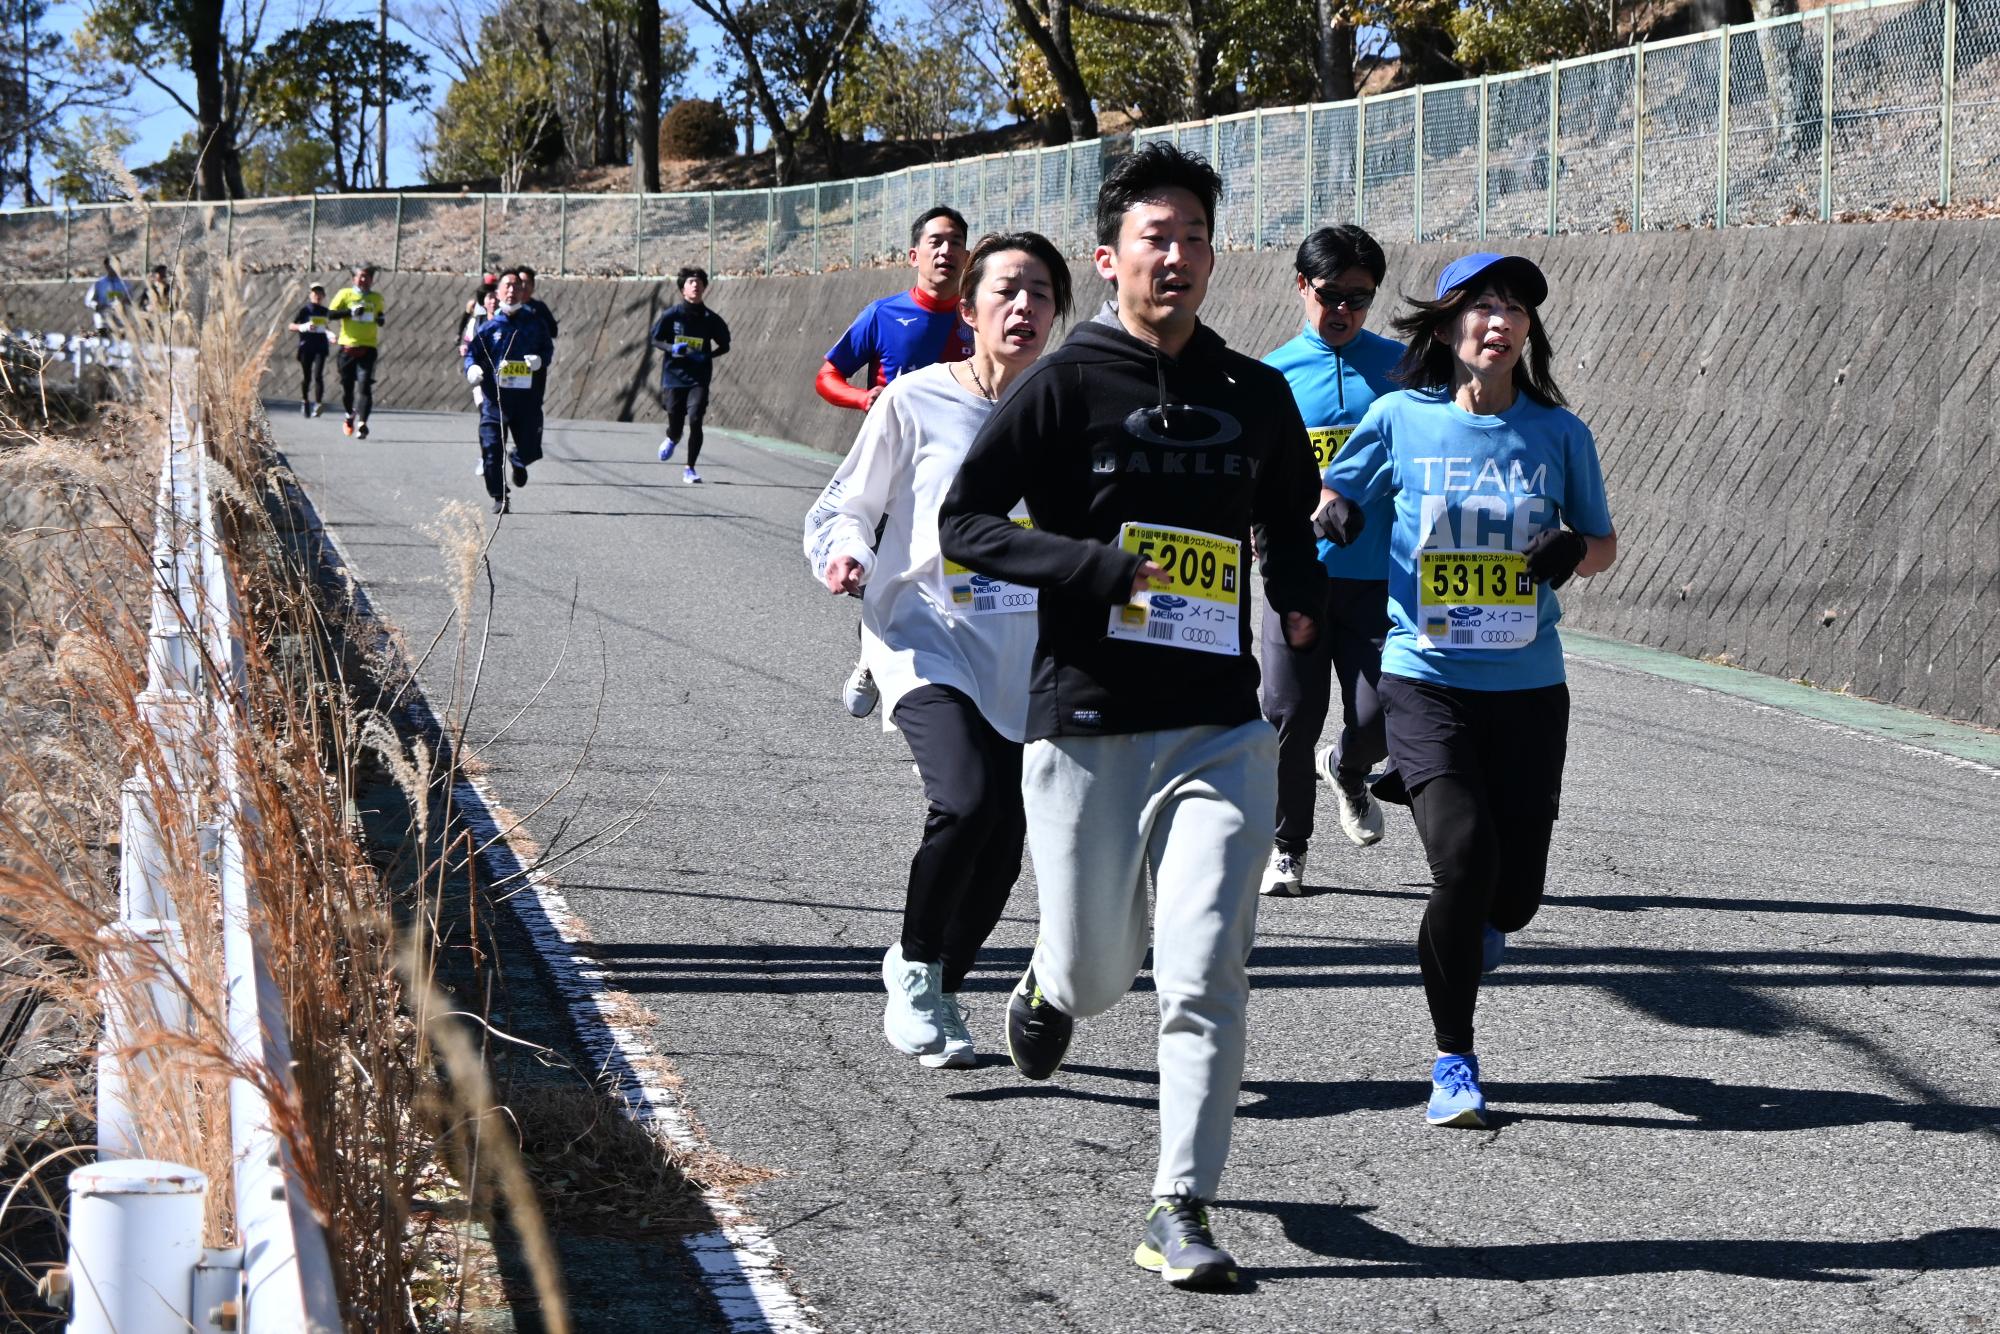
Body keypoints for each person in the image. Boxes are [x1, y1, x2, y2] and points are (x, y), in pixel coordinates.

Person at [938, 144, 1323, 1291]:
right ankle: (1050, 984)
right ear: (1108, 260)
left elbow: (1286, 523)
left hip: (1218, 726)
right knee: (1103, 972)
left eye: (1195, 238)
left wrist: (1298, 598)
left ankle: (1180, 1204)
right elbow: (967, 524)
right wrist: (1088, 568)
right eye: (1156, 238)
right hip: (1088, 719)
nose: (1178, 257)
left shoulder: (1257, 394)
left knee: (1204, 965)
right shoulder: (1062, 384)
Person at [1320, 252, 1617, 1130]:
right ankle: (1454, 1060)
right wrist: (1336, 511)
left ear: (1528, 332)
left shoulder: (1560, 434)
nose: (1500, 322)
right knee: (1463, 864)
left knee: (1514, 896)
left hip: (1527, 682)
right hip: (1426, 673)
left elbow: (1601, 542)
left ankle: (1473, 890)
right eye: (1483, 307)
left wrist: (1573, 551)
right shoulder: (1400, 418)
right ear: (1448, 327)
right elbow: (1342, 488)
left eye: (1515, 309)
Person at [804, 232, 1071, 1069]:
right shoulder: (916, 400)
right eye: (1007, 292)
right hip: (922, 631)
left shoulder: (1068, 409)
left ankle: (946, 981)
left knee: (1004, 837)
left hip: (1022, 647)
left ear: (1059, 314)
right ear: (971, 309)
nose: (1023, 306)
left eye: (1040, 294)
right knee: (964, 800)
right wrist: (844, 551)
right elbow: (852, 500)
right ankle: (915, 970)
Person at [1257, 226, 1403, 896]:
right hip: (1297, 580)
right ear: (1300, 287)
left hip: (1381, 582)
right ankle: (1288, 847)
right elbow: (1253, 478)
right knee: (1289, 713)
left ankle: (1346, 768)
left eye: (1360, 298)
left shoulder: (1404, 370)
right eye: (1330, 294)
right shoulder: (1271, 376)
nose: (1343, 309)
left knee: (1381, 717)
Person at [816, 206, 972, 719]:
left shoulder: (980, 318)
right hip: (891, 472)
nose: (945, 251)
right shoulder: (884, 314)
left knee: (950, 577)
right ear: (914, 255)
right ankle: (871, 659)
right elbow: (828, 375)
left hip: (957, 474)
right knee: (888, 575)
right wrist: (864, 401)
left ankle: (945, 692)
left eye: (955, 242)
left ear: (968, 256)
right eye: (935, 242)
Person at [464, 271, 554, 515]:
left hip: (527, 401)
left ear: (524, 290)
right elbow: (473, 353)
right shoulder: (491, 327)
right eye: (507, 286)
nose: (512, 290)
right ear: (499, 291)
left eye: (516, 286)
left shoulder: (535, 324)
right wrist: (472, 368)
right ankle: (499, 496)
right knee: (491, 449)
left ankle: (519, 460)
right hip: (496, 400)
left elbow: (547, 349)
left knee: (531, 448)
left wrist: (539, 360)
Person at [649, 267, 732, 484]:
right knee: (676, 419)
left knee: (696, 419)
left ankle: (690, 468)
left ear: (704, 287)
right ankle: (673, 437)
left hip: (699, 377)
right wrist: (672, 349)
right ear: (682, 288)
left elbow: (725, 345)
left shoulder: (710, 319)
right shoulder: (671, 316)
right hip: (673, 376)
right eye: (690, 282)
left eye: (699, 282)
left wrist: (707, 356)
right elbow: (655, 339)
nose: (695, 285)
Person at [328, 264, 386, 439]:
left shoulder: (377, 298)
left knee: (364, 385)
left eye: (367, 276)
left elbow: (380, 316)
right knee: (347, 389)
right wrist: (350, 311)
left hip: (368, 348)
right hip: (347, 349)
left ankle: (362, 423)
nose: (364, 279)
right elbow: (330, 314)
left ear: (372, 279)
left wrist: (381, 318)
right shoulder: (344, 294)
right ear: (353, 278)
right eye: (360, 276)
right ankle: (348, 415)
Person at [288, 282, 332, 418]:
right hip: (306, 347)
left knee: (318, 375)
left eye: (319, 293)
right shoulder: (305, 310)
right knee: (307, 377)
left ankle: (318, 404)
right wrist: (303, 327)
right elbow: (291, 325)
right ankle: (305, 401)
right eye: (314, 293)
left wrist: (331, 335)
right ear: (310, 295)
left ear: (323, 296)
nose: (317, 296)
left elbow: (326, 328)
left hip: (321, 347)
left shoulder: (325, 312)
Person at [85, 258, 131, 335]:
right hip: (103, 320)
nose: (113, 268)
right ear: (106, 266)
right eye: (110, 265)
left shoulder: (124, 284)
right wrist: (96, 305)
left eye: (116, 265)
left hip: (120, 321)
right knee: (104, 341)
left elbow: (132, 300)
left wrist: (123, 301)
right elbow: (88, 301)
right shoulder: (99, 284)